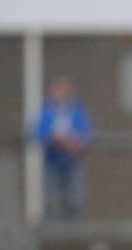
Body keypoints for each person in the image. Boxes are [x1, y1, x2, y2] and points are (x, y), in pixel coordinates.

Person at [33, 77, 93, 220]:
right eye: (58, 91)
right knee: (50, 197)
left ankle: (74, 229)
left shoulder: (77, 110)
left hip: (73, 160)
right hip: (51, 160)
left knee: (75, 197)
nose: (60, 94)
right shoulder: (46, 111)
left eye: (63, 91)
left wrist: (75, 141)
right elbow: (37, 132)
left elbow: (87, 132)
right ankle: (50, 229)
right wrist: (53, 138)